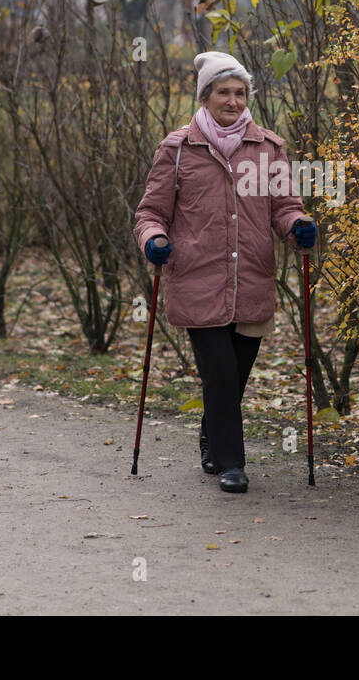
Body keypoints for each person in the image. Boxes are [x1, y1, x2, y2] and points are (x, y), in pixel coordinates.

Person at [133, 50, 316, 493]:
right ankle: (233, 464)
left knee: (234, 378)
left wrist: (299, 226)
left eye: (240, 92)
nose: (233, 101)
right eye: (223, 92)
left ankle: (211, 437)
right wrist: (153, 240)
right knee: (219, 373)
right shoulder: (177, 149)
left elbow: (285, 207)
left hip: (251, 279)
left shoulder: (269, 148)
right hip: (197, 279)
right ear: (205, 97)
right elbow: (150, 213)